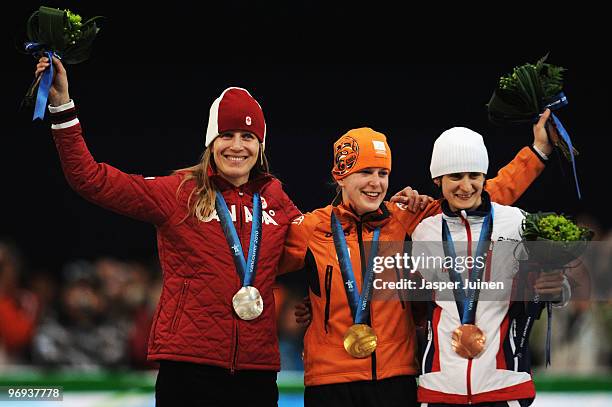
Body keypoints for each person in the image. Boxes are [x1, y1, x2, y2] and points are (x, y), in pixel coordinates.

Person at [35, 56, 302, 406]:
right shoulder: (178, 193)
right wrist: (61, 106)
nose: (237, 146)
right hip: (189, 369)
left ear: (260, 145)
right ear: (211, 141)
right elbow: (91, 179)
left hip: (257, 372)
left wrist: (396, 216)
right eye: (227, 135)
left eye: (248, 136)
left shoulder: (276, 198)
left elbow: (320, 245)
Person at [281, 118, 553, 407]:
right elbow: (262, 264)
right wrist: (314, 300)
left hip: (396, 378)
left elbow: (474, 194)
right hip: (329, 380)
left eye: (383, 173)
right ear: (341, 175)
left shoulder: (406, 217)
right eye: (365, 172)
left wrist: (537, 152)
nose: (376, 182)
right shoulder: (310, 228)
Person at [411, 126, 568, 407]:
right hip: (439, 388)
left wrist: (557, 287)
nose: (466, 186)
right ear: (438, 179)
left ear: (485, 177)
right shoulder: (424, 232)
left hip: (504, 386)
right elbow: (408, 298)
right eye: (455, 176)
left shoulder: (517, 222)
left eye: (474, 176)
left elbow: (552, 284)